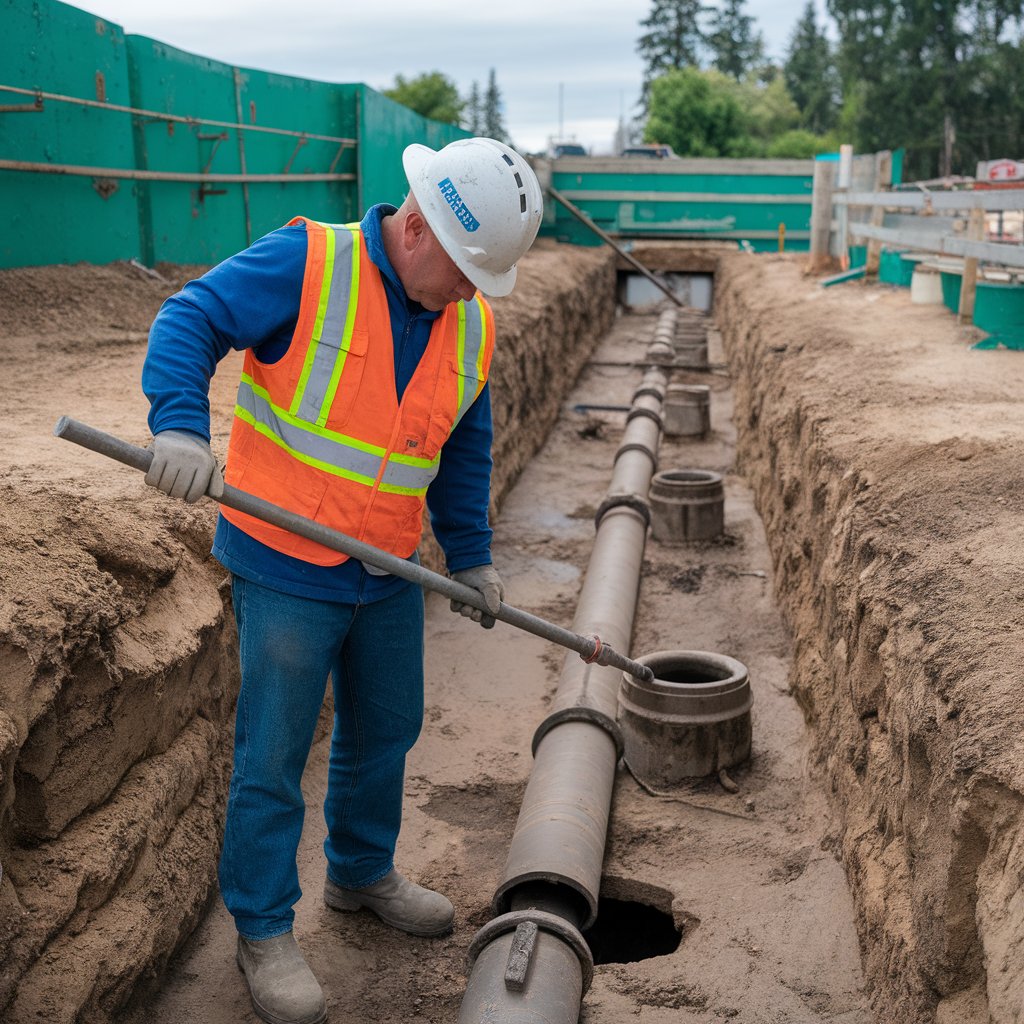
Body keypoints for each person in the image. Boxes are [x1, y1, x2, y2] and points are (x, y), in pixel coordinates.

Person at [141, 137, 543, 1024]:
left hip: (388, 564)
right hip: (284, 560)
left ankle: (360, 874)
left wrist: (469, 553)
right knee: (275, 752)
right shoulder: (308, 262)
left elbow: (463, 442)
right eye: (469, 271)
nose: (475, 293)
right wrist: (178, 426)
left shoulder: (468, 321)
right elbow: (189, 317)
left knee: (388, 726)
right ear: (417, 228)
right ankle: (263, 927)